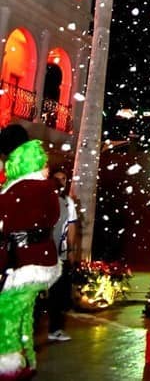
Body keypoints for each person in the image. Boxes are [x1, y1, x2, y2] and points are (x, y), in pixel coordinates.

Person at [0, 134, 60, 380]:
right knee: (25, 313)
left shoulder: (17, 190)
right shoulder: (46, 188)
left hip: (21, 264)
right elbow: (52, 217)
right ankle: (27, 359)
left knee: (7, 314)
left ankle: (8, 366)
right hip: (41, 260)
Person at [47, 168, 79, 343]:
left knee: (57, 293)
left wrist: (71, 251)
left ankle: (55, 328)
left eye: (63, 179)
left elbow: (72, 226)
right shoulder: (44, 198)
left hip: (59, 254)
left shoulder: (67, 202)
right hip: (42, 253)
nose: (60, 182)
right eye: (57, 179)